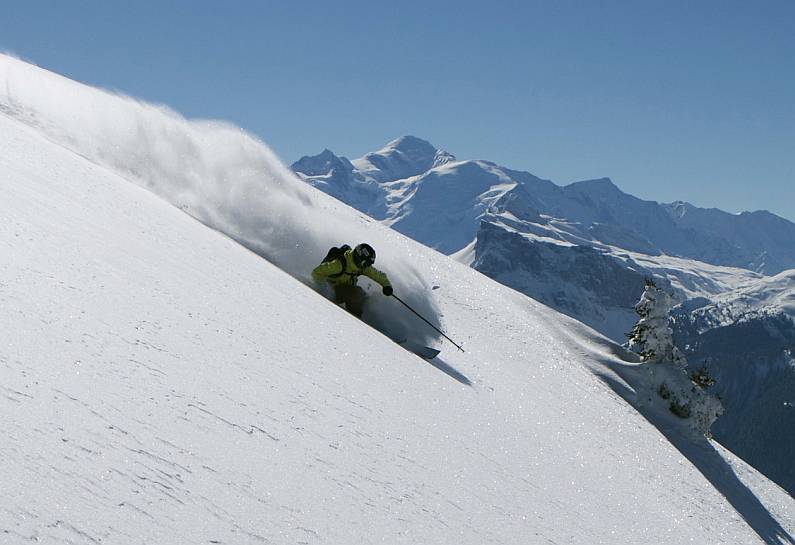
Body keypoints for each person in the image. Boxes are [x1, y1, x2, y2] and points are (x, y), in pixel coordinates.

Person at [312, 243, 393, 317]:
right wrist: (325, 290)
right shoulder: (339, 264)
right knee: (356, 294)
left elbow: (378, 275)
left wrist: (387, 286)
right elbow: (316, 272)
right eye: (366, 263)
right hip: (332, 291)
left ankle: (368, 316)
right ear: (359, 258)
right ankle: (355, 319)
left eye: (368, 264)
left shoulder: (361, 266)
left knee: (365, 298)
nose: (367, 266)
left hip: (344, 290)